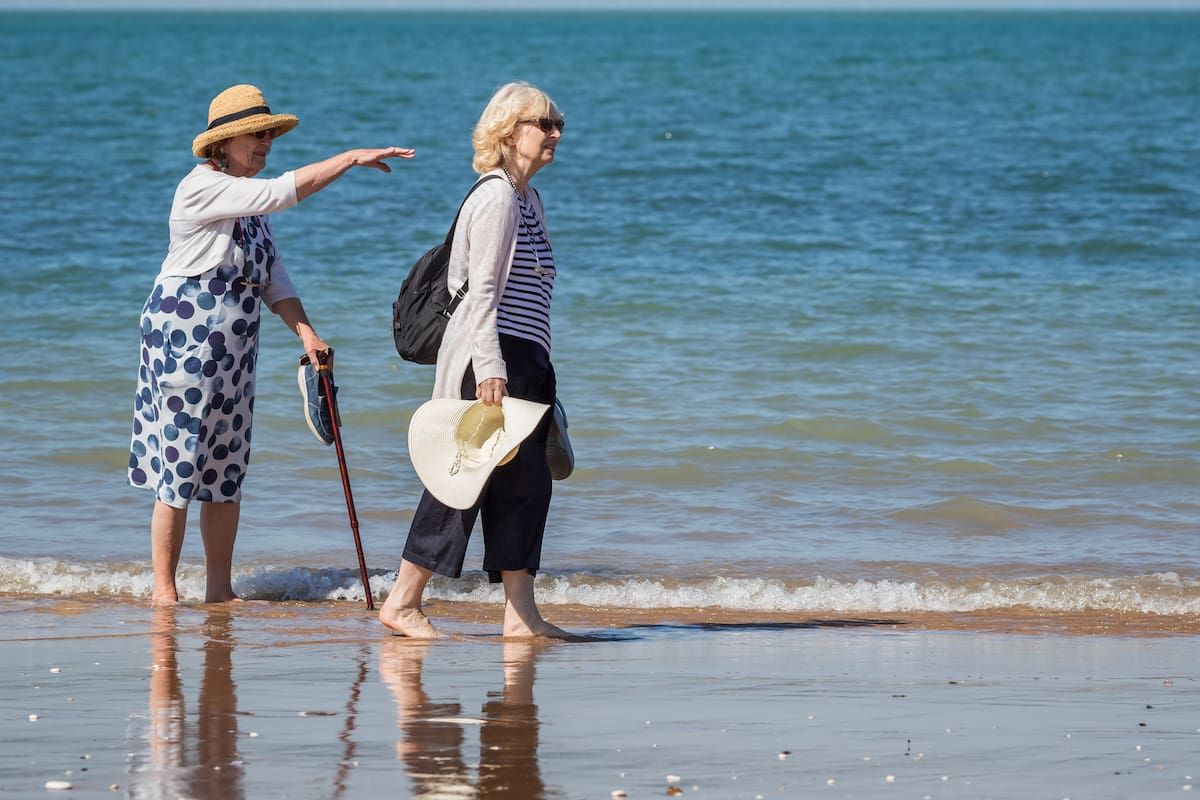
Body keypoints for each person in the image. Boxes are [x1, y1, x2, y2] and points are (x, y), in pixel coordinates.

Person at [128, 84, 415, 604]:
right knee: (179, 468)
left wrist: (307, 333)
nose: (266, 143)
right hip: (184, 337)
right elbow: (281, 192)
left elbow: (274, 279)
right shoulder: (202, 187)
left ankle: (220, 590)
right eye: (257, 135)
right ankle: (164, 593)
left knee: (224, 470)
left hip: (234, 345)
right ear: (225, 142)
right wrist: (349, 157)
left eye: (269, 135)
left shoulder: (248, 201)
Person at [379, 81, 568, 638]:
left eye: (559, 125)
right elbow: (482, 292)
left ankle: (520, 616)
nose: (555, 134)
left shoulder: (528, 198)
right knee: (460, 482)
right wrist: (490, 368)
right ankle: (403, 602)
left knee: (526, 486)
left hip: (523, 358)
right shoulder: (496, 197)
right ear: (510, 133)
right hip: (492, 360)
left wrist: (536, 369)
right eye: (544, 124)